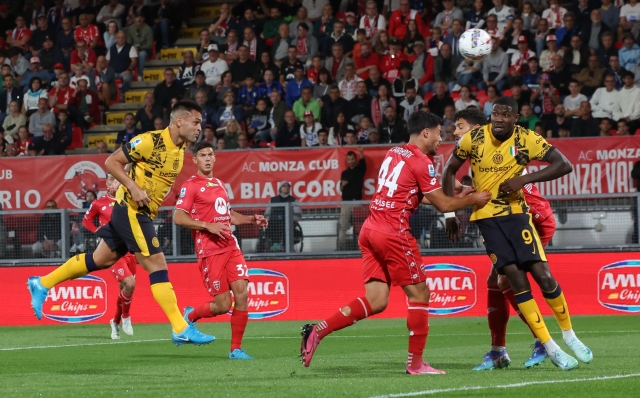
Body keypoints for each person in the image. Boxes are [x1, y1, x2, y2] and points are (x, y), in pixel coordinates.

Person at [300, 111, 492, 373]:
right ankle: (416, 364)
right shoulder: (422, 162)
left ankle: (318, 330)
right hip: (393, 232)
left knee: (377, 300)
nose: (440, 138)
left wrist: (452, 189)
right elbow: (443, 204)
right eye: (438, 133)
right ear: (426, 132)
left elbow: (411, 194)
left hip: (370, 230)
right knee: (420, 293)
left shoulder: (394, 152)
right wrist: (473, 199)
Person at [27, 101, 215, 346]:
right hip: (132, 211)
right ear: (180, 121)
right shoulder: (150, 141)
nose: (200, 128)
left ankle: (41, 284)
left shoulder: (179, 151)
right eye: (196, 122)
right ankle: (180, 327)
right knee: (158, 266)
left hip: (138, 212)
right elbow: (111, 162)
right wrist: (133, 187)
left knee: (98, 260)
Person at [443, 96, 593, 371]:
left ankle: (565, 336)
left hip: (524, 218)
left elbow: (562, 167)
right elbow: (448, 171)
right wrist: (450, 212)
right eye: (495, 113)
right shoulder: (472, 142)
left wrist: (522, 180)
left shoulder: (526, 140)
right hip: (488, 222)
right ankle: (544, 346)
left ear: (515, 118)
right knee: (507, 280)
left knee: (540, 276)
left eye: (460, 126)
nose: (455, 132)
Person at [451, 107, 554, 370]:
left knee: (505, 279)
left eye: (460, 126)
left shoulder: (497, 146)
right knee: (495, 281)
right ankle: (498, 350)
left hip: (532, 219)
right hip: (512, 219)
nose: (455, 131)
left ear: (474, 130)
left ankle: (541, 341)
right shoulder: (481, 152)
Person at [175, 141, 267, 359]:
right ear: (195, 160)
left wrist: (251, 219)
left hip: (230, 246)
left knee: (242, 294)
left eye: (210, 154)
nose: (207, 158)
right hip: (210, 251)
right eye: (203, 155)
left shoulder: (219, 184)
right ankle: (190, 315)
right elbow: (178, 217)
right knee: (223, 305)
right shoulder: (191, 185)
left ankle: (236, 349)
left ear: (215, 158)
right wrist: (207, 226)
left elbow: (229, 216)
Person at [83, 172, 138, 339]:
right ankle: (126, 317)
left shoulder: (127, 202)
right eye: (111, 179)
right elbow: (86, 221)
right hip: (113, 252)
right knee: (129, 283)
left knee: (126, 289)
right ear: (106, 183)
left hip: (130, 251)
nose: (114, 182)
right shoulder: (99, 203)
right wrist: (98, 231)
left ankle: (115, 321)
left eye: (117, 179)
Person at [337, 147, 366, 251]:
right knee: (343, 225)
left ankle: (361, 247)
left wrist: (361, 152)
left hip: (357, 202)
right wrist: (343, 185)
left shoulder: (360, 169)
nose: (351, 161)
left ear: (355, 159)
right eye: (348, 159)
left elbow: (363, 162)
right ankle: (341, 247)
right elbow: (341, 188)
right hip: (346, 202)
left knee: (359, 226)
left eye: (352, 159)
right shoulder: (344, 173)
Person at [263, 181, 301, 252]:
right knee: (270, 227)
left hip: (289, 225)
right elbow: (267, 214)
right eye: (284, 186)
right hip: (274, 225)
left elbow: (298, 215)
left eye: (288, 186)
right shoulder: (273, 200)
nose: (286, 188)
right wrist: (271, 219)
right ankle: (275, 245)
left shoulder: (294, 200)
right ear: (280, 189)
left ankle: (287, 247)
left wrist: (288, 218)